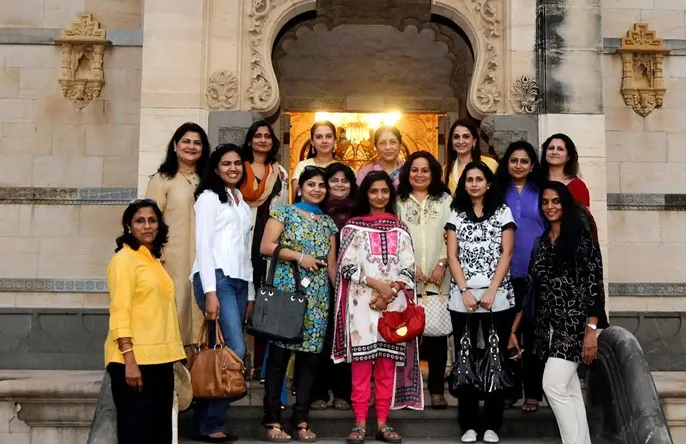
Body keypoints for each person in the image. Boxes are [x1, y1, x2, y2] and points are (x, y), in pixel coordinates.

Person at [509, 182, 608, 444]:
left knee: (552, 386)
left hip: (574, 326)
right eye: (545, 202)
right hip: (546, 328)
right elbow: (531, 288)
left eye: (556, 201)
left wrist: (591, 331)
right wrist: (514, 329)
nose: (550, 207)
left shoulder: (582, 240)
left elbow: (594, 287)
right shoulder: (541, 242)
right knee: (570, 390)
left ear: (565, 204)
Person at [333, 171, 424, 444]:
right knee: (361, 367)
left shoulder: (400, 229)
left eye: (385, 191)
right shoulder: (352, 228)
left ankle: (383, 423)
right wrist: (376, 285)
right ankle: (360, 423)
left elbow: (408, 268)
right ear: (365, 194)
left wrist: (391, 290)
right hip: (361, 306)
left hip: (393, 306)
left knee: (386, 367)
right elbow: (345, 267)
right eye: (374, 191)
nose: (380, 196)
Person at [260, 166, 339, 442]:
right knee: (279, 360)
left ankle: (301, 420)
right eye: (311, 184)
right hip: (286, 293)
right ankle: (272, 420)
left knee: (309, 362)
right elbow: (266, 246)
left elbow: (331, 265)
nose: (317, 189)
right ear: (300, 188)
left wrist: (340, 296)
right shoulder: (284, 212)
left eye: (321, 185)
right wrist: (299, 257)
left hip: (318, 299)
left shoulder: (328, 223)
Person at [445, 162, 516, 444]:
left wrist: (492, 290)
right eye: (469, 179)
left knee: (495, 357)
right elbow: (452, 256)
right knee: (466, 358)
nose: (474, 183)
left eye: (479, 179)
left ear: (488, 183)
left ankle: (492, 424)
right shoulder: (456, 212)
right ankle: (469, 424)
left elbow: (507, 253)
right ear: (464, 184)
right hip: (462, 297)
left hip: (497, 296)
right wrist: (464, 290)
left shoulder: (502, 211)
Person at [105, 199, 185, 444]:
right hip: (133, 361)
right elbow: (120, 311)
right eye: (140, 221)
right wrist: (129, 360)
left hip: (160, 360)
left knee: (159, 434)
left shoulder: (152, 260)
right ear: (129, 226)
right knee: (136, 434)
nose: (147, 226)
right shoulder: (124, 260)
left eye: (152, 220)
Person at [191, 144, 254, 443]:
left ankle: (203, 422)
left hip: (239, 281)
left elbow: (245, 251)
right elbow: (203, 246)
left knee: (222, 352)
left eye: (237, 163)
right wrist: (210, 291)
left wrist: (250, 292)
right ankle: (212, 423)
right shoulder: (208, 197)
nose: (233, 168)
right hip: (215, 277)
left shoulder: (242, 202)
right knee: (235, 350)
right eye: (226, 163)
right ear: (216, 168)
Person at [145, 122, 211, 351]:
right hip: (172, 259)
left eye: (197, 143)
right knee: (176, 312)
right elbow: (149, 222)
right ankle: (174, 369)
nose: (191, 147)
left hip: (203, 259)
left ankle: (198, 369)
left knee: (201, 315)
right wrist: (155, 257)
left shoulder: (207, 181)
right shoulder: (162, 180)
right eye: (186, 141)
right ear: (175, 145)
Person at [396, 151, 452, 409]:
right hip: (406, 279)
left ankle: (437, 391)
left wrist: (442, 263)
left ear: (433, 173)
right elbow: (396, 236)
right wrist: (411, 266)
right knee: (407, 335)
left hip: (439, 280)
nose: (419, 175)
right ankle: (408, 390)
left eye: (425, 170)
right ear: (407, 172)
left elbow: (452, 235)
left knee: (436, 336)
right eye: (415, 170)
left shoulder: (445, 200)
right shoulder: (398, 200)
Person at [494, 141, 546, 412]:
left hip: (536, 271)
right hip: (503, 272)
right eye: (513, 160)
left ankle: (533, 393)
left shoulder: (542, 191)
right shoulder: (496, 191)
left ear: (532, 165)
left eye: (524, 161)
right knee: (505, 331)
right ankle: (510, 389)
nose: (518, 165)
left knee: (533, 332)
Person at [240, 120, 290, 380]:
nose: (262, 140)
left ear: (273, 142)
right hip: (240, 240)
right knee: (240, 299)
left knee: (265, 302)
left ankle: (261, 364)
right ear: (250, 141)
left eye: (267, 136)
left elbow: (284, 210)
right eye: (257, 136)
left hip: (268, 241)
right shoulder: (239, 169)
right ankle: (237, 361)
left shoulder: (279, 173)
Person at [309, 162, 357, 411]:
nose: (339, 185)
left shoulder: (359, 210)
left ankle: (342, 393)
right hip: (317, 280)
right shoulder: (316, 210)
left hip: (354, 282)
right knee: (321, 336)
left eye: (344, 180)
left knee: (346, 336)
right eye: (334, 180)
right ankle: (318, 392)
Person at [443, 119, 499, 195]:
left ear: (474, 141)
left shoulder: (491, 164)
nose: (461, 141)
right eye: (456, 137)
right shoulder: (445, 170)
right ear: (451, 141)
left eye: (466, 137)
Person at [539, 133, 590, 207]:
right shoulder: (535, 183)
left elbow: (583, 213)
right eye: (551, 148)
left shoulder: (577, 186)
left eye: (560, 149)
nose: (554, 152)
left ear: (568, 157)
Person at [291, 121, 337, 201]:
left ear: (335, 141)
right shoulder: (302, 166)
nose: (324, 141)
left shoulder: (344, 168)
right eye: (319, 137)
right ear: (312, 142)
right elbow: (296, 201)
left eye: (328, 136)